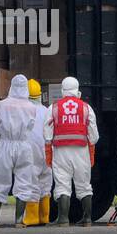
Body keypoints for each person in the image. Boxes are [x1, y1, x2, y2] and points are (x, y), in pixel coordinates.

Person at [0, 75, 42, 227]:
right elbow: (30, 126)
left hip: (5, 144)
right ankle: (19, 219)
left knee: (0, 180)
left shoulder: (2, 105)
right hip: (24, 145)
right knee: (24, 180)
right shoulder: (31, 107)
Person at [45, 76, 100, 226]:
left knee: (62, 184)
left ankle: (63, 219)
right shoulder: (86, 108)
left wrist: (49, 152)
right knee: (83, 185)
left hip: (60, 152)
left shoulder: (53, 108)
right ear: (78, 91)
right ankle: (87, 218)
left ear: (62, 90)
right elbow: (94, 137)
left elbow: (47, 134)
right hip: (81, 152)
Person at [28, 79, 53, 226]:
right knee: (45, 182)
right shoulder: (46, 110)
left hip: (31, 150)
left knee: (31, 181)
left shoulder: (24, 109)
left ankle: (31, 217)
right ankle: (44, 217)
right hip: (46, 149)